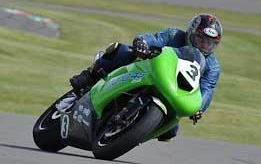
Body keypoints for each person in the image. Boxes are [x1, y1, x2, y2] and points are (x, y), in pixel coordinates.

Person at [69, 13, 222, 141]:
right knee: (122, 51)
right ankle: (89, 76)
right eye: (200, 40)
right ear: (191, 33)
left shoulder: (212, 66)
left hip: (174, 91)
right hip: (149, 71)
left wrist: (200, 107)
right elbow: (154, 39)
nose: (203, 46)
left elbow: (207, 89)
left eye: (209, 44)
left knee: (170, 132)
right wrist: (142, 43)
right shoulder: (175, 35)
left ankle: (134, 132)